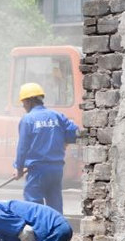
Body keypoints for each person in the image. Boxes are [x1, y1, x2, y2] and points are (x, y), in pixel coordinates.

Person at [13, 82, 79, 214]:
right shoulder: (57, 116)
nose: (23, 106)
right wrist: (65, 141)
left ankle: (37, 232)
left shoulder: (28, 119)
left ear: (29, 101)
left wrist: (18, 167)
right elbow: (74, 132)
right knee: (55, 204)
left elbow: (23, 147)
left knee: (34, 206)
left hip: (38, 170)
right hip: (57, 169)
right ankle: (58, 231)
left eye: (24, 102)